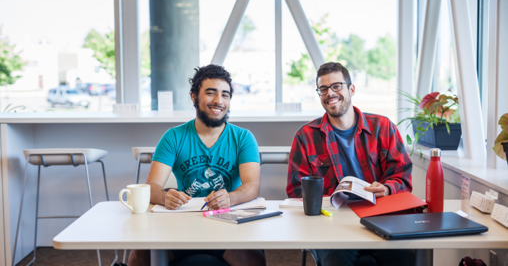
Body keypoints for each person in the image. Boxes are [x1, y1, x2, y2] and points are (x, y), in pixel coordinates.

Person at [128, 64, 266, 266]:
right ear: (194, 97)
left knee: (253, 260)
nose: (219, 101)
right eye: (211, 93)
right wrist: (165, 196)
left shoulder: (243, 137)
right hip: (183, 225)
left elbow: (252, 187)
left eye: (225, 95)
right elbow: (152, 187)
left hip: (229, 224)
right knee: (139, 257)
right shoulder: (173, 137)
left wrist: (230, 198)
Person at [286, 62, 414, 266]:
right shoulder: (305, 136)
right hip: (331, 224)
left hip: (380, 218)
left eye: (336, 86)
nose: (330, 93)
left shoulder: (383, 127)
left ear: (351, 89)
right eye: (323, 89)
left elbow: (402, 176)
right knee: (337, 260)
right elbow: (295, 190)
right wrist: (326, 202)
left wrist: (388, 188)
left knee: (406, 256)